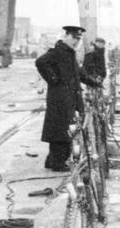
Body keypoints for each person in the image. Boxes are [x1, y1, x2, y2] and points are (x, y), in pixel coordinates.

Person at [35, 25, 85, 171]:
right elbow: (40, 62)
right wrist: (53, 79)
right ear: (66, 36)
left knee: (60, 129)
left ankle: (52, 160)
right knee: (62, 130)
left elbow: (78, 73)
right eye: (74, 38)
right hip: (60, 98)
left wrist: (94, 82)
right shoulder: (58, 51)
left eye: (78, 39)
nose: (76, 41)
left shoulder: (69, 53)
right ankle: (57, 163)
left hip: (67, 98)